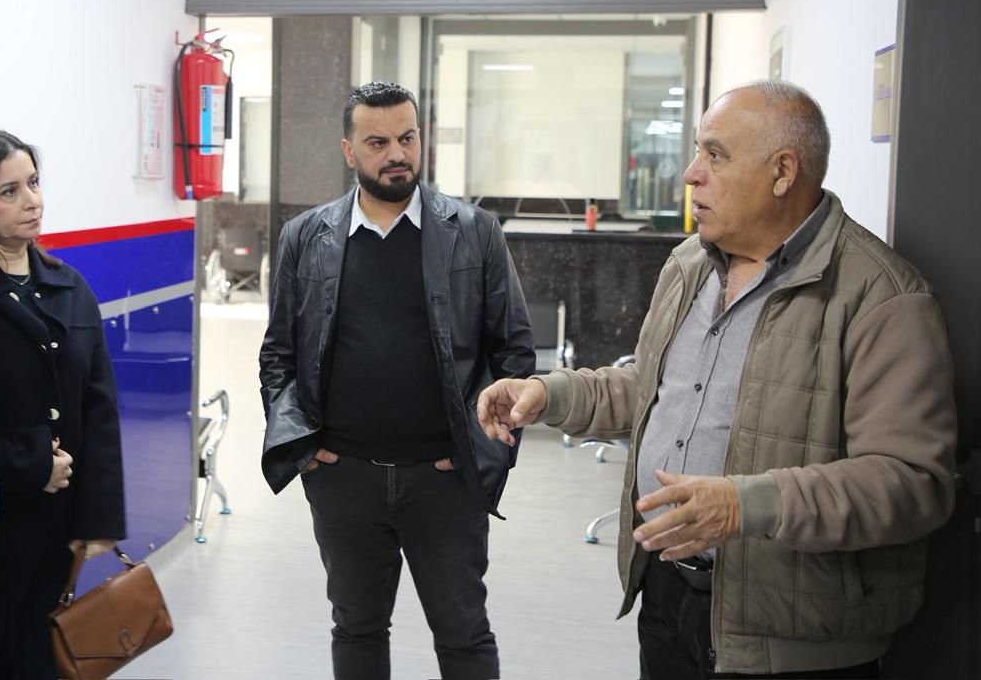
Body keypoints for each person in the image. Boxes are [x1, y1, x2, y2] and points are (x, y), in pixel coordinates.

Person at [478, 80, 957, 679]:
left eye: (716, 155)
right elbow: (655, 390)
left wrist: (745, 505)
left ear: (782, 172)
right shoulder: (689, 265)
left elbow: (911, 484)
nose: (691, 174)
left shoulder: (881, 298)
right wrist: (551, 393)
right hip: (669, 597)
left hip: (788, 635)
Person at [259, 81, 535, 680]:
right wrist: (302, 448)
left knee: (464, 634)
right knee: (356, 629)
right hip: (343, 479)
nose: (397, 154)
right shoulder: (306, 237)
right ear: (348, 150)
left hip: (446, 478)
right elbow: (279, 354)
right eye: (377, 142)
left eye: (406, 138)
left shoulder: (475, 231)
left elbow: (512, 353)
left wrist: (485, 448)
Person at [0, 130, 126, 680]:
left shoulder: (68, 286)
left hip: (56, 525)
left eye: (34, 183)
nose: (32, 201)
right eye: (9, 192)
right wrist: (29, 464)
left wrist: (100, 518)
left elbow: (98, 407)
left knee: (39, 658)